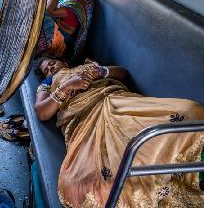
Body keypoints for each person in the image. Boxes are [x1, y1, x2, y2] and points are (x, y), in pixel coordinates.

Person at [34, 57, 204, 207]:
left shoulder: (86, 66)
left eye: (51, 63)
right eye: (46, 70)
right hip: (86, 118)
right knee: (77, 185)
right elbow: (42, 112)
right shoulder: (47, 85)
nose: (51, 69)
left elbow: (122, 73)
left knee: (189, 111)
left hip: (117, 101)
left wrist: (101, 71)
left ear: (64, 62)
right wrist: (67, 86)